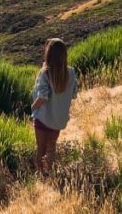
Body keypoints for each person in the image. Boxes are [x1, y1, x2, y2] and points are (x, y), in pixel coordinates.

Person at [31, 38, 78, 174]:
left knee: (41, 148)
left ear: (49, 54)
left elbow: (42, 97)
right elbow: (74, 94)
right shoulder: (71, 72)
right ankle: (50, 173)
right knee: (51, 147)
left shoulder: (45, 73)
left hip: (43, 117)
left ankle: (41, 175)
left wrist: (33, 108)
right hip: (58, 119)